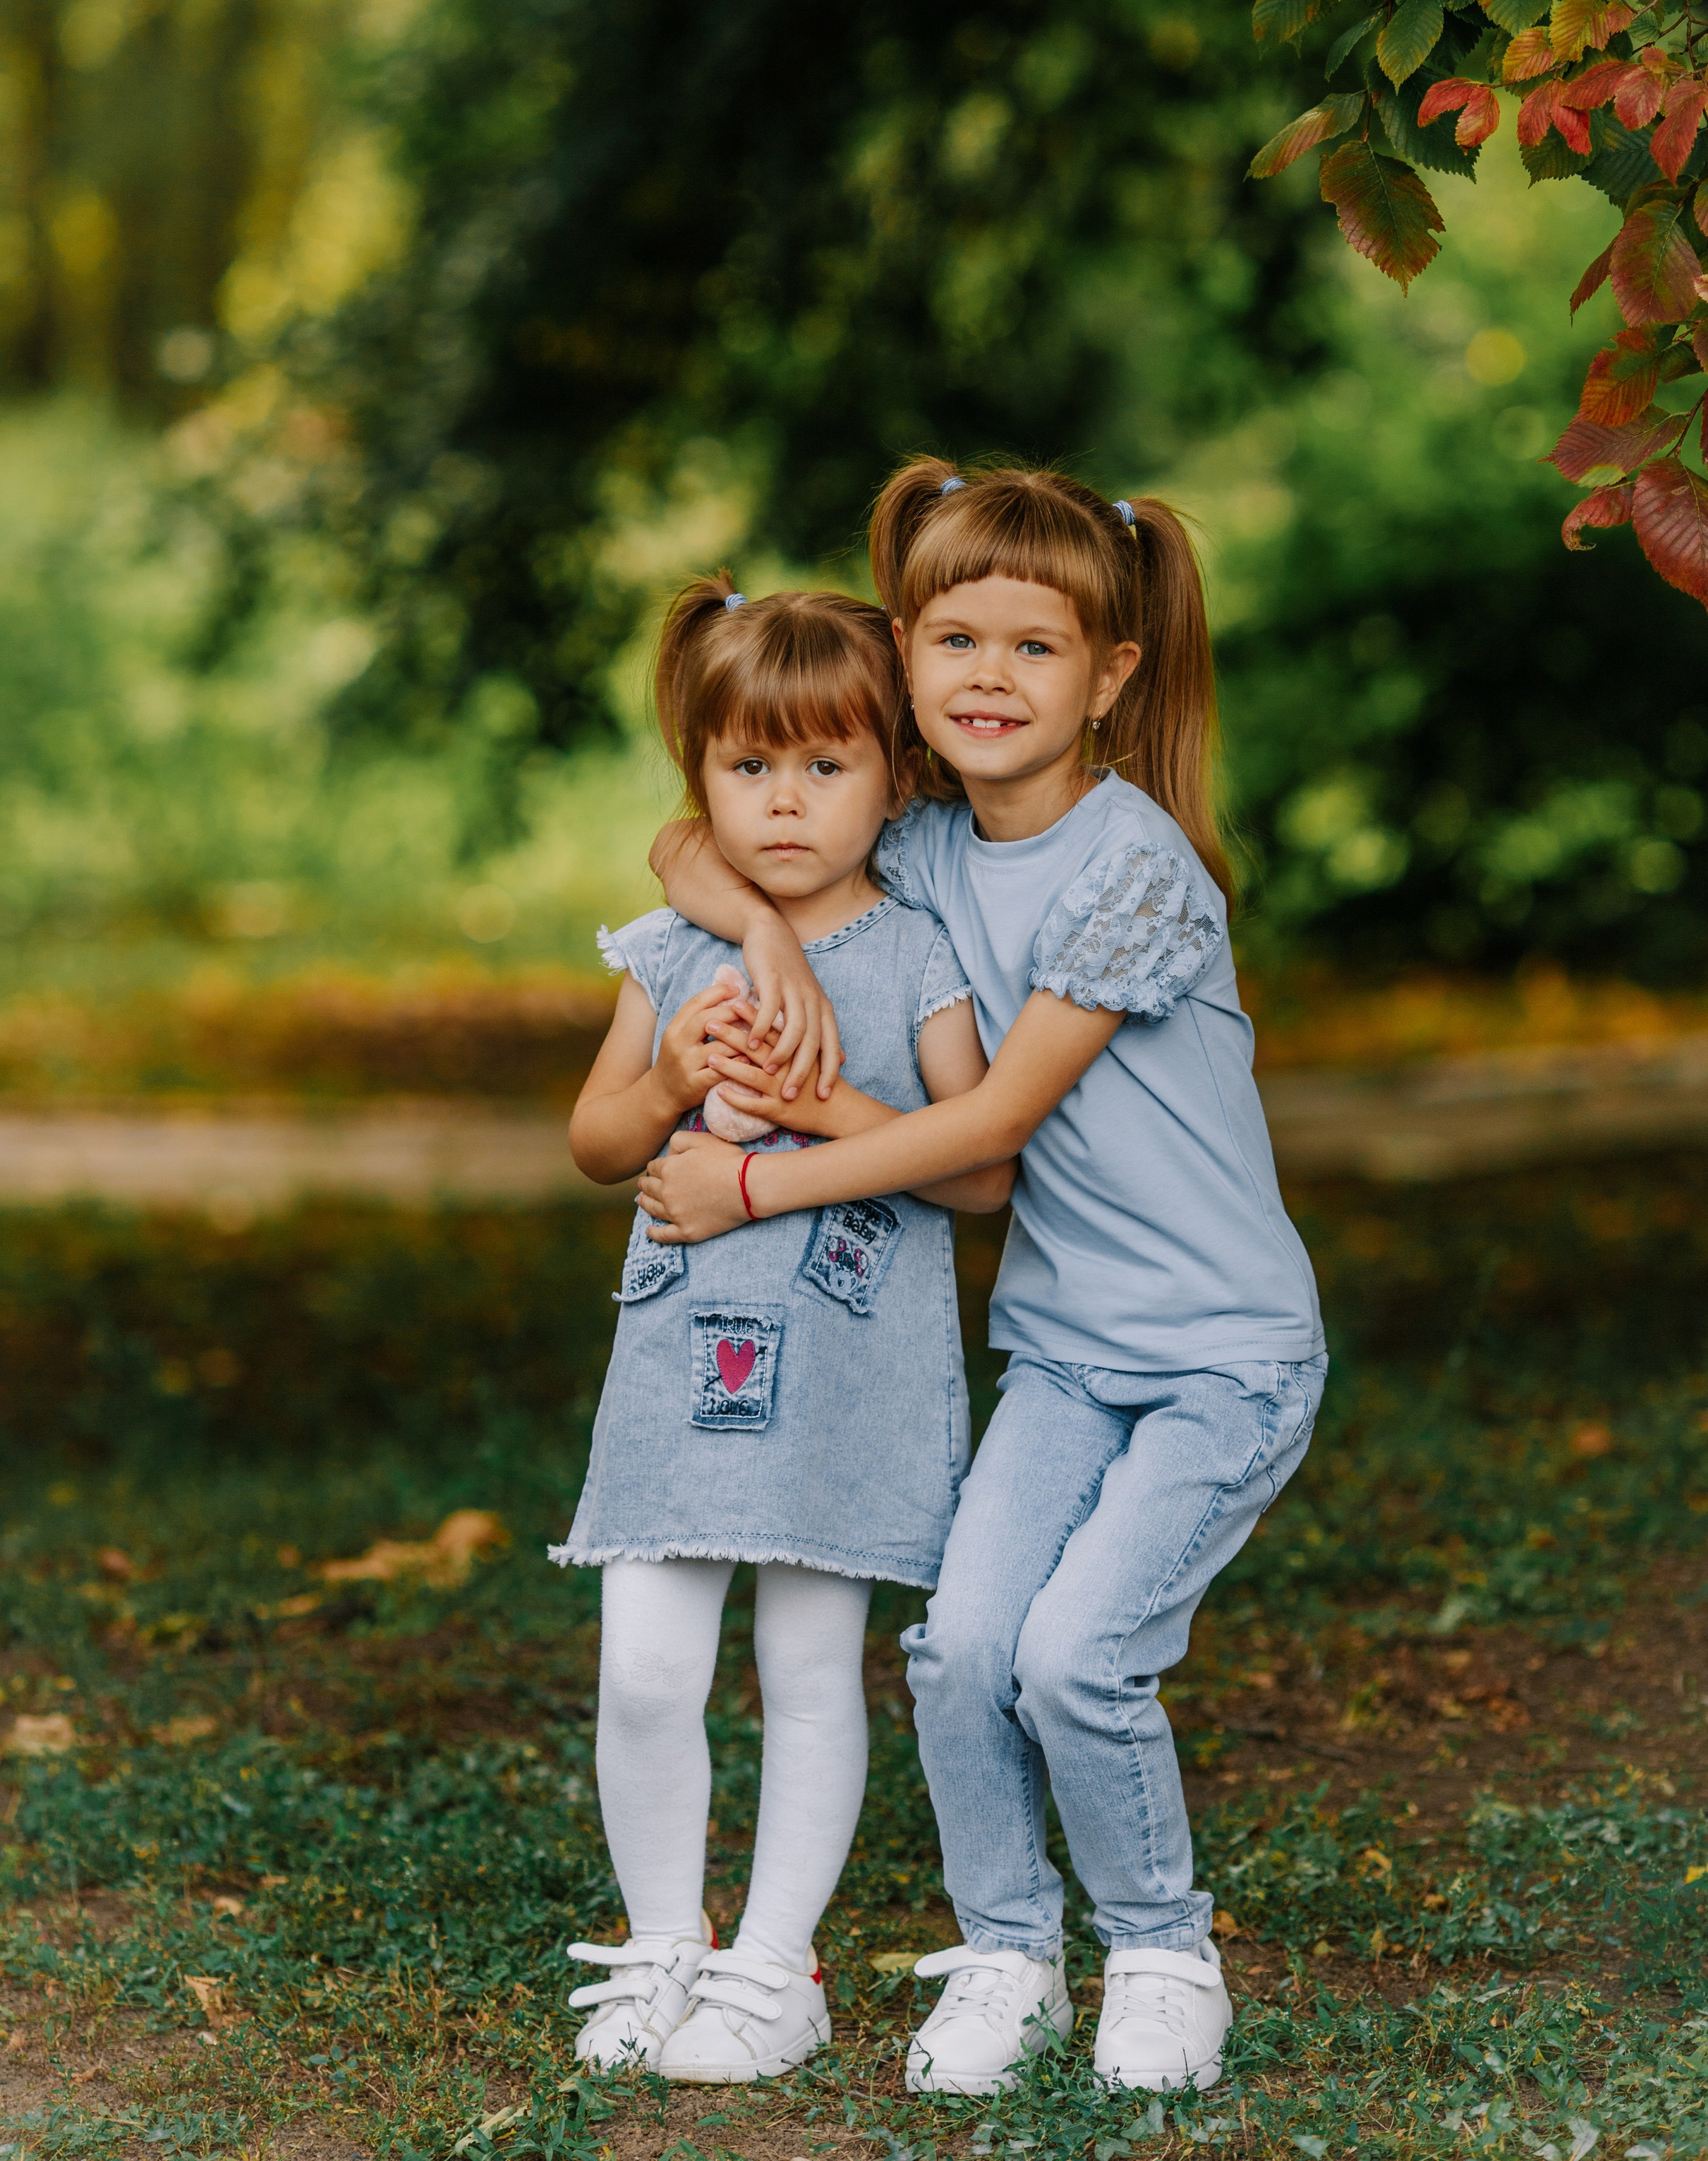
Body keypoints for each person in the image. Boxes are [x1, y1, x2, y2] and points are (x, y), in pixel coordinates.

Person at [639, 462, 1327, 2099]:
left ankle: (1158, 1951)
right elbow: (687, 834)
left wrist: (758, 1173)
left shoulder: (1130, 861)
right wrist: (774, 942)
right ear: (904, 651)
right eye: (955, 640)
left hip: (1222, 1357)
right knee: (957, 1650)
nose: (989, 679)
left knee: (1074, 1654)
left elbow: (995, 1125)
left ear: (1112, 676)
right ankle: (1009, 1952)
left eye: (1036, 649)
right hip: (1067, 1356)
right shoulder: (925, 843)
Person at [557, 574, 1017, 2087]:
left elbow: (976, 1166)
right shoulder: (672, 954)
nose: (784, 802)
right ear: (698, 774)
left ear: (894, 777)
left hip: (850, 1377)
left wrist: (821, 1107)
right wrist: (670, 1068)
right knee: (642, 1667)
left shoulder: (916, 951)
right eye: (747, 767)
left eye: (825, 766)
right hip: (677, 1373)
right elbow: (592, 1140)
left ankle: (774, 1965)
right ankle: (657, 1945)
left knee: (811, 1670)